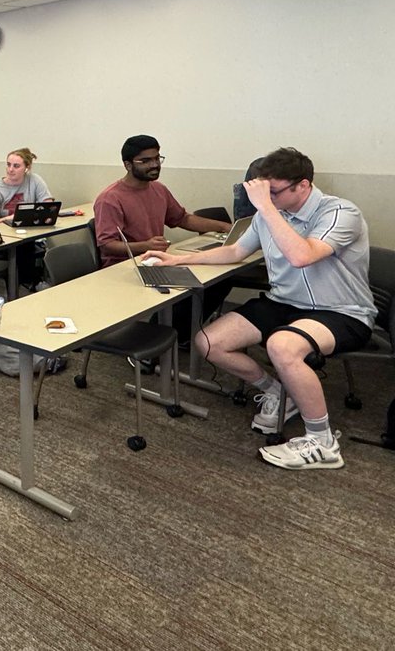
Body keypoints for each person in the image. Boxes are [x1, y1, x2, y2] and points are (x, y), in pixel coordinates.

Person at [144, 148, 375, 470]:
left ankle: (323, 442)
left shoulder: (339, 212)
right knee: (208, 342)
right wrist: (178, 259)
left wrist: (266, 208)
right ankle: (280, 392)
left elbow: (302, 256)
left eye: (274, 191)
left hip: (340, 311)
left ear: (303, 185)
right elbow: (236, 250)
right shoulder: (269, 214)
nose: (266, 198)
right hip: (283, 303)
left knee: (282, 345)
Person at [94, 135, 233, 267]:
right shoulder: (109, 199)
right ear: (128, 165)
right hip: (124, 267)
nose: (154, 165)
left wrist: (224, 227)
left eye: (156, 158)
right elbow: (107, 245)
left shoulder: (158, 189)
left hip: (155, 260)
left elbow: (182, 219)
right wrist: (145, 246)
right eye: (145, 161)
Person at [0, 147, 53, 291]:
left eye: (16, 166)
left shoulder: (34, 180)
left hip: (28, 234)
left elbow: (48, 204)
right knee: (23, 246)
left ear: (27, 168)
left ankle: (28, 282)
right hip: (3, 238)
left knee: (30, 244)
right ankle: (31, 282)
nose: (10, 169)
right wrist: (9, 218)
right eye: (8, 165)